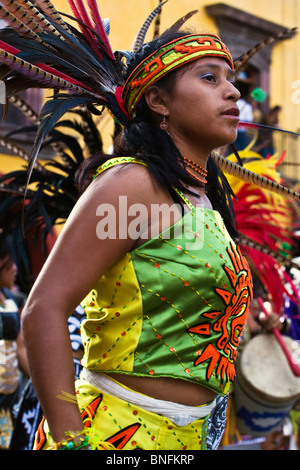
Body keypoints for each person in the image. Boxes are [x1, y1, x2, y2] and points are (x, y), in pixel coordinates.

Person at [0, 1, 294, 452]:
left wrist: (249, 321)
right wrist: (71, 443)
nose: (234, 91)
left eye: (231, 78)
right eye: (209, 77)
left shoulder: (207, 204)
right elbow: (43, 309)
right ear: (158, 100)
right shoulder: (133, 184)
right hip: (114, 438)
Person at [0, 237, 29, 449]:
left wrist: (40, 383)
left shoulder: (10, 299)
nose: (15, 269)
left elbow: (20, 349)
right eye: (11, 263)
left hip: (9, 398)